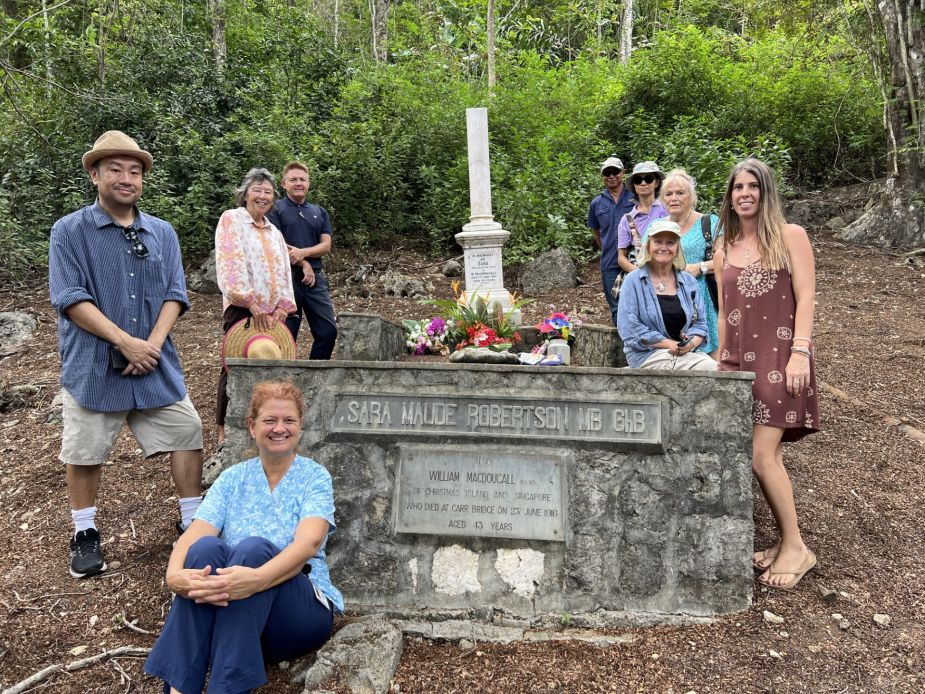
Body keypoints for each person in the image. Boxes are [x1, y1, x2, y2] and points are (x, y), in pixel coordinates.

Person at [48, 130, 204, 579]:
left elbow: (175, 293)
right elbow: (70, 297)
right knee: (85, 448)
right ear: (94, 175)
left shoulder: (162, 232)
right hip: (94, 362)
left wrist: (149, 345)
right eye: (114, 169)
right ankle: (84, 531)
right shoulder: (69, 231)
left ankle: (192, 522)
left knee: (187, 430)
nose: (126, 178)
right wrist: (123, 342)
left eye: (134, 171)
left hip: (154, 360)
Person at [144, 380, 342, 694]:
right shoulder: (232, 478)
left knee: (254, 549)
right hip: (234, 614)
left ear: (300, 426)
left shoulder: (314, 477)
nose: (280, 428)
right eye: (270, 420)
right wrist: (175, 578)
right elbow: (192, 536)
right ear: (252, 426)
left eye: (289, 420)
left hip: (297, 615)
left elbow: (309, 543)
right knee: (205, 548)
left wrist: (256, 580)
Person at [714, 158, 820, 590]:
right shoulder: (724, 247)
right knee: (765, 457)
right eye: (737, 187)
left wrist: (800, 353)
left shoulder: (790, 236)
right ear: (729, 196)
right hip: (739, 364)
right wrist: (721, 360)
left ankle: (796, 547)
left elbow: (807, 297)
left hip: (780, 360)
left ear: (765, 191)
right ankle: (785, 540)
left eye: (752, 186)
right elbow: (725, 312)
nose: (744, 193)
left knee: (762, 456)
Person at [214, 167, 296, 446]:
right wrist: (250, 301)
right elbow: (231, 261)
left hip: (273, 314)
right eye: (257, 190)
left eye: (268, 192)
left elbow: (284, 270)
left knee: (269, 365)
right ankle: (225, 428)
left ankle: (263, 424)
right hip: (243, 309)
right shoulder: (232, 219)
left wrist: (283, 306)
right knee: (233, 366)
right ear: (245, 194)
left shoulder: (274, 231)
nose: (262, 196)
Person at [617, 219, 717, 371]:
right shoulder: (633, 281)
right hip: (647, 354)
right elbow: (629, 329)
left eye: (670, 243)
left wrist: (689, 344)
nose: (664, 247)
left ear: (677, 248)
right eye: (658, 242)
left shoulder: (688, 281)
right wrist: (669, 344)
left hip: (685, 354)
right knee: (709, 368)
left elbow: (700, 324)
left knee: (714, 368)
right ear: (648, 246)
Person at [267, 162, 338, 359]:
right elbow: (274, 243)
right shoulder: (275, 209)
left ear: (308, 183)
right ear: (284, 184)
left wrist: (303, 254)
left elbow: (326, 246)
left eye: (302, 179)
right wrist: (303, 263)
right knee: (285, 335)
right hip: (286, 279)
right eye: (293, 179)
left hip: (315, 279)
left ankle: (315, 373)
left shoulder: (319, 211)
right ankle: (283, 377)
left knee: (328, 331)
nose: (298, 183)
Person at [661, 169, 720, 356]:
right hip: (668, 301)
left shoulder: (709, 223)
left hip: (705, 299)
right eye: (668, 194)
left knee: (713, 363)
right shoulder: (656, 227)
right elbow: (644, 263)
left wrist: (700, 267)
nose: (674, 198)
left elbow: (729, 259)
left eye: (680, 193)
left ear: (692, 197)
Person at [587, 156, 636, 326]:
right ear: (602, 176)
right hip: (610, 261)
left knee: (638, 304)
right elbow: (596, 230)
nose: (611, 176)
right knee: (616, 307)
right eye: (607, 173)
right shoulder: (596, 203)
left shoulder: (635, 197)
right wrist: (606, 247)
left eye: (615, 172)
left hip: (635, 260)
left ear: (623, 173)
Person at [616, 161, 668, 277]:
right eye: (638, 180)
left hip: (669, 272)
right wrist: (638, 273)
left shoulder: (668, 209)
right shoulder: (627, 219)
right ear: (634, 186)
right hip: (640, 275)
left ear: (656, 183)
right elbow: (621, 256)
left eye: (648, 179)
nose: (643, 183)